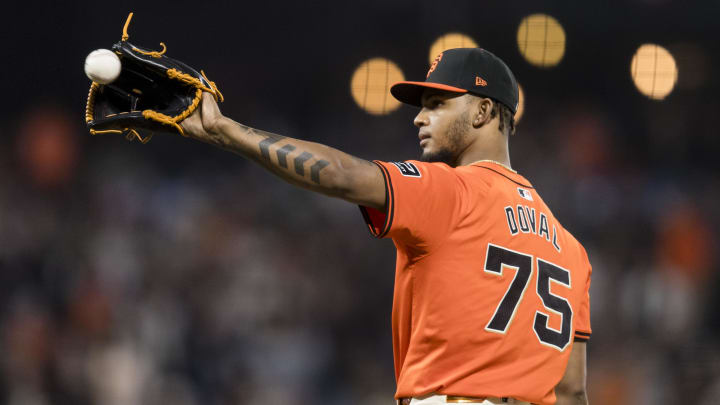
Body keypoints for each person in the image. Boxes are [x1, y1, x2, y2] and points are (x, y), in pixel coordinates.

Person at [180, 48, 591, 405]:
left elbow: (342, 175)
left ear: (483, 111)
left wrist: (225, 131)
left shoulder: (452, 191)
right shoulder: (572, 250)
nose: (420, 118)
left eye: (438, 104)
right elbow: (572, 391)